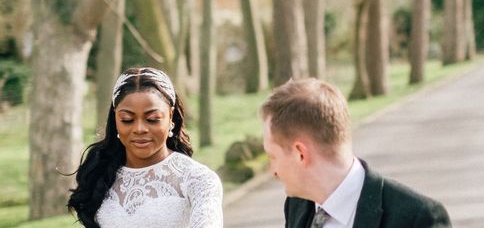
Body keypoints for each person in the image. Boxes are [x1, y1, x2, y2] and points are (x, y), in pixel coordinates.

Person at [260, 78, 451, 228]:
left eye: (273, 157)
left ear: (300, 153)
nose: (273, 171)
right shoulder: (297, 205)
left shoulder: (417, 218)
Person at [68, 67, 223, 228]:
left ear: (170, 116)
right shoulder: (101, 177)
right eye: (127, 119)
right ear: (115, 119)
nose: (139, 129)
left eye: (152, 119)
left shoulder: (199, 180)